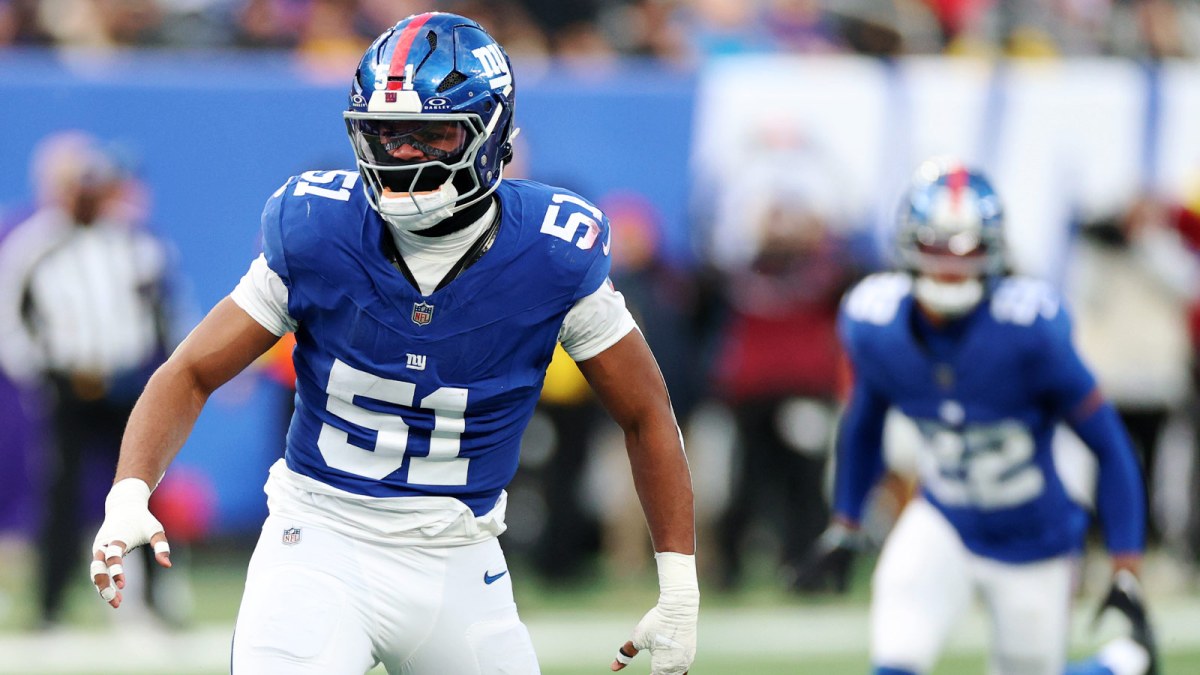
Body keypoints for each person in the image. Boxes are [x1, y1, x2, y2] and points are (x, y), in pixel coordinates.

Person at [87, 11, 697, 675]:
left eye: (428, 132)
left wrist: (680, 585)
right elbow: (192, 370)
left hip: (459, 559)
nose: (400, 152)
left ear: (489, 133)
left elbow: (646, 412)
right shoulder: (319, 226)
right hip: (318, 541)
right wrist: (128, 491)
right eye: (384, 131)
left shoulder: (551, 251)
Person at [795, 158, 1158, 675]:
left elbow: (1110, 443)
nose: (951, 264)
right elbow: (864, 421)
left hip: (1033, 538)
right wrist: (846, 522)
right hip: (942, 518)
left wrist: (1126, 565)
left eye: (967, 249)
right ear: (908, 244)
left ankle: (1122, 664)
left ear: (994, 249)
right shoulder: (875, 325)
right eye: (936, 246)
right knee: (895, 659)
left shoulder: (1030, 331)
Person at [0, 131, 178, 629]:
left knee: (142, 490)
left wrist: (153, 374)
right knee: (60, 496)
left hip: (126, 384)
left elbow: (163, 311)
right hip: (69, 384)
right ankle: (50, 606)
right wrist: (41, 375)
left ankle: (155, 600)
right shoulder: (36, 244)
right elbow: (11, 319)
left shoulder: (134, 242)